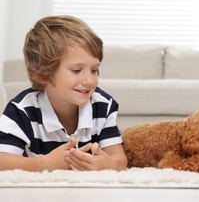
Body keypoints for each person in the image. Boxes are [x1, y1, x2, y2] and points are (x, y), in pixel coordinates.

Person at [0, 15, 128, 171]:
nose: (89, 80)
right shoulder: (21, 110)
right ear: (43, 74)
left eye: (94, 70)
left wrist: (108, 164)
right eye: (76, 70)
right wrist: (44, 164)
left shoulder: (103, 105)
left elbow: (120, 159)